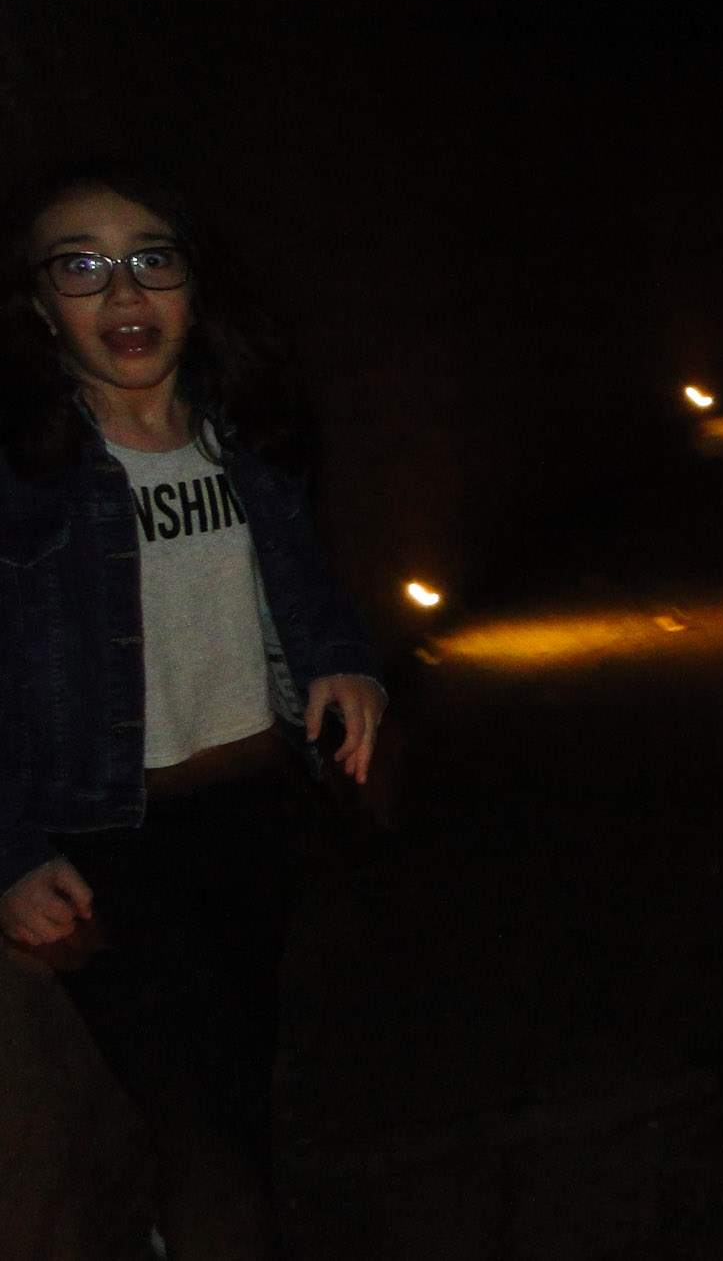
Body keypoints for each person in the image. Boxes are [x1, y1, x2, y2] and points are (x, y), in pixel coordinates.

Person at [0, 161, 386, 1261]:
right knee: (203, 1126)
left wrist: (346, 665)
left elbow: (304, 589)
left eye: (150, 260)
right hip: (105, 847)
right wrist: (9, 852)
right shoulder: (27, 475)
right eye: (81, 267)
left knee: (236, 1091)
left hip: (250, 816)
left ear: (193, 285)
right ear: (40, 305)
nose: (124, 294)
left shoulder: (244, 437)